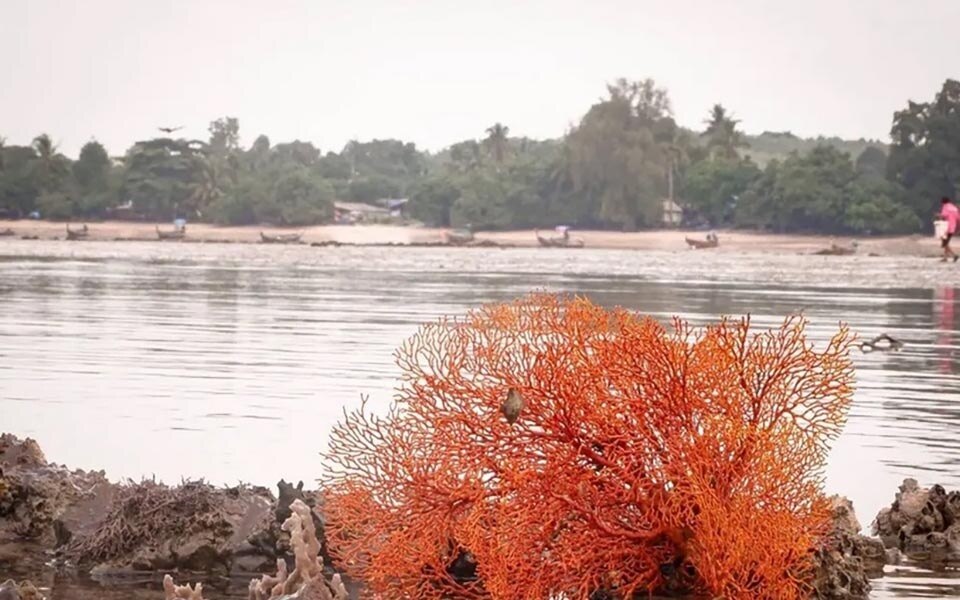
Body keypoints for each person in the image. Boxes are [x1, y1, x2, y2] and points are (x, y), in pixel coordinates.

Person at [938, 197, 959, 262]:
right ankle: (945, 258)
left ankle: (954, 255)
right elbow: (958, 218)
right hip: (953, 227)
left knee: (944, 243)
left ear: (942, 202)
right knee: (946, 242)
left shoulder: (945, 207)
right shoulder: (954, 208)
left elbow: (943, 215)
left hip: (946, 228)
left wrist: (938, 215)